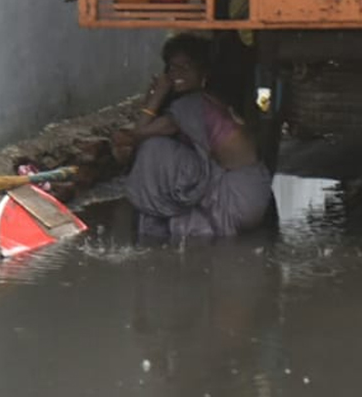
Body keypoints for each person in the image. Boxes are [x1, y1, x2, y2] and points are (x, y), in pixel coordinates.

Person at [115, 33, 273, 241]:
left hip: (235, 198)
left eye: (185, 67)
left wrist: (155, 97)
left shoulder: (193, 105)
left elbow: (140, 136)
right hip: (251, 195)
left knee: (153, 148)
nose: (176, 73)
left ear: (203, 73)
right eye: (172, 67)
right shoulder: (205, 101)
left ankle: (163, 227)